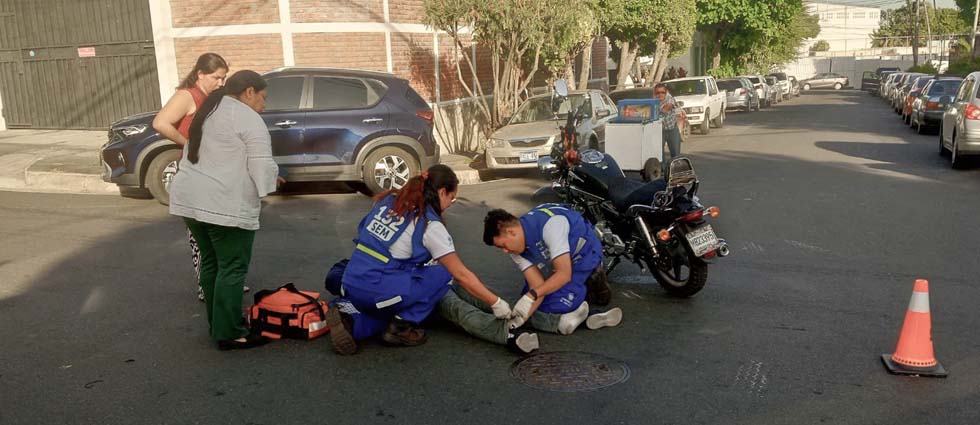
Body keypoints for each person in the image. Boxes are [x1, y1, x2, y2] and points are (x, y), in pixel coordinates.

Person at [325, 165, 519, 355]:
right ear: (442, 192)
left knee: (384, 307)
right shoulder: (430, 225)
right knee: (443, 274)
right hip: (375, 289)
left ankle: (352, 323)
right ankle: (401, 325)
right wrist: (496, 303)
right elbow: (461, 274)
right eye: (452, 197)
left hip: (351, 281)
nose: (452, 202)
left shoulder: (387, 202)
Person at [169, 70, 279, 351]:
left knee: (211, 262)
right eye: (263, 98)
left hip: (190, 200)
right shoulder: (246, 117)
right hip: (222, 204)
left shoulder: (210, 110)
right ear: (249, 92)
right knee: (231, 267)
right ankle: (231, 333)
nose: (264, 106)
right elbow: (261, 165)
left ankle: (217, 324)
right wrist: (270, 185)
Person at [151, 53, 242, 302]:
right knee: (201, 233)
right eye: (216, 78)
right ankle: (206, 284)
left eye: (223, 78)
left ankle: (223, 279)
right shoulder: (187, 95)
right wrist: (189, 143)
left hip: (214, 172)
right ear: (200, 74)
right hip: (195, 173)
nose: (221, 83)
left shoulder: (213, 96)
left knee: (221, 228)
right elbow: (160, 123)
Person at [475, 204, 622, 339]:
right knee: (528, 299)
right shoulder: (516, 248)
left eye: (503, 246)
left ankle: (594, 280)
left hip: (582, 257)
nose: (505, 251)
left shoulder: (551, 226)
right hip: (555, 261)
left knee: (557, 305)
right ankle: (584, 316)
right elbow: (536, 284)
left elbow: (564, 274)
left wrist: (532, 296)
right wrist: (521, 318)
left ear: (511, 231)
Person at [654, 83, 682, 177]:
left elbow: (667, 108)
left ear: (666, 92)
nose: (660, 94)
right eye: (658, 93)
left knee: (675, 152)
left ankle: (676, 172)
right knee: (659, 151)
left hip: (671, 129)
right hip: (660, 130)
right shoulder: (653, 101)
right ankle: (664, 172)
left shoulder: (669, 98)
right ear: (655, 93)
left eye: (662, 92)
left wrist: (657, 110)